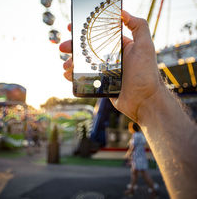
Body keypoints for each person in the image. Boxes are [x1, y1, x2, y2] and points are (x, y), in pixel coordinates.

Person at [59, 10, 197, 199]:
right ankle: (145, 189)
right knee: (137, 175)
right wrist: (149, 101)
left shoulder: (136, 137)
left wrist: (149, 99)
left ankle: (142, 189)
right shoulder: (139, 134)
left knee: (137, 175)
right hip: (141, 154)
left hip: (139, 157)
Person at [125, 122, 157, 196]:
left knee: (144, 174)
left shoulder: (135, 135)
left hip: (137, 158)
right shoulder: (141, 135)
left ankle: (153, 190)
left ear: (132, 128)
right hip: (141, 156)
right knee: (134, 174)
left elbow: (133, 147)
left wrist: (128, 154)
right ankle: (131, 189)